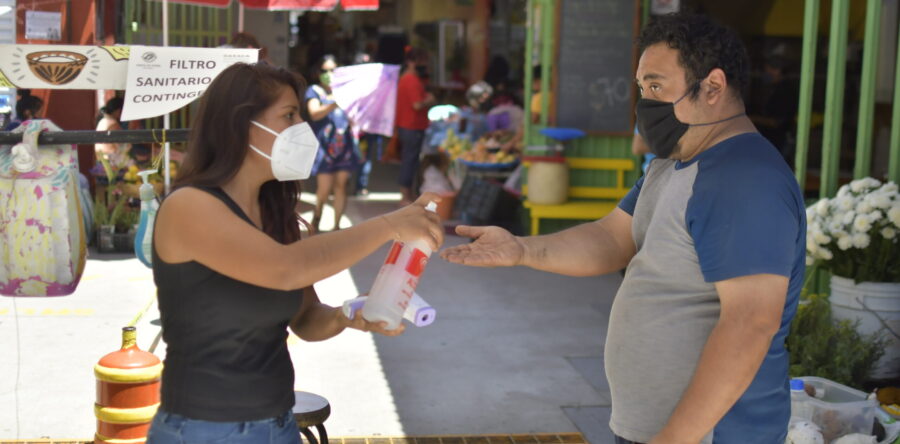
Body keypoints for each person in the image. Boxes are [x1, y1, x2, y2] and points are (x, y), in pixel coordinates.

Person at [442, 13, 805, 444]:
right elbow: (613, 238)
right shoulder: (674, 163)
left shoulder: (745, 179)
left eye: (656, 87)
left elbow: (750, 324)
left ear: (712, 87)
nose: (644, 103)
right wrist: (520, 249)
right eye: (641, 88)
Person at [147, 62, 443, 443]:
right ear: (241, 124)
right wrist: (390, 225)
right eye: (289, 116)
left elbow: (305, 318)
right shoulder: (189, 207)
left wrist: (347, 315)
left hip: (278, 423)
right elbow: (285, 269)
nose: (301, 130)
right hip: (204, 430)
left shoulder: (273, 214)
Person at [305, 55, 357, 231]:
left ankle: (337, 225)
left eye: (332, 70)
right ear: (318, 72)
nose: (328, 74)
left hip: (344, 145)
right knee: (324, 188)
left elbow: (355, 117)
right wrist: (334, 104)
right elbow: (314, 113)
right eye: (324, 70)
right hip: (324, 148)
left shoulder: (346, 92)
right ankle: (317, 218)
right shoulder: (314, 91)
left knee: (341, 186)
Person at [396, 47, 436, 204]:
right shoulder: (411, 80)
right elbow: (417, 104)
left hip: (412, 125)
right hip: (411, 126)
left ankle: (409, 194)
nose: (424, 64)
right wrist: (430, 99)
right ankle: (405, 196)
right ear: (411, 62)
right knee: (409, 160)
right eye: (421, 61)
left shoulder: (409, 78)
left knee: (411, 160)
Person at [95, 97, 133, 170]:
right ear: (119, 110)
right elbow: (122, 146)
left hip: (102, 161)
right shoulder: (113, 124)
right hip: (111, 163)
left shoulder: (103, 121)